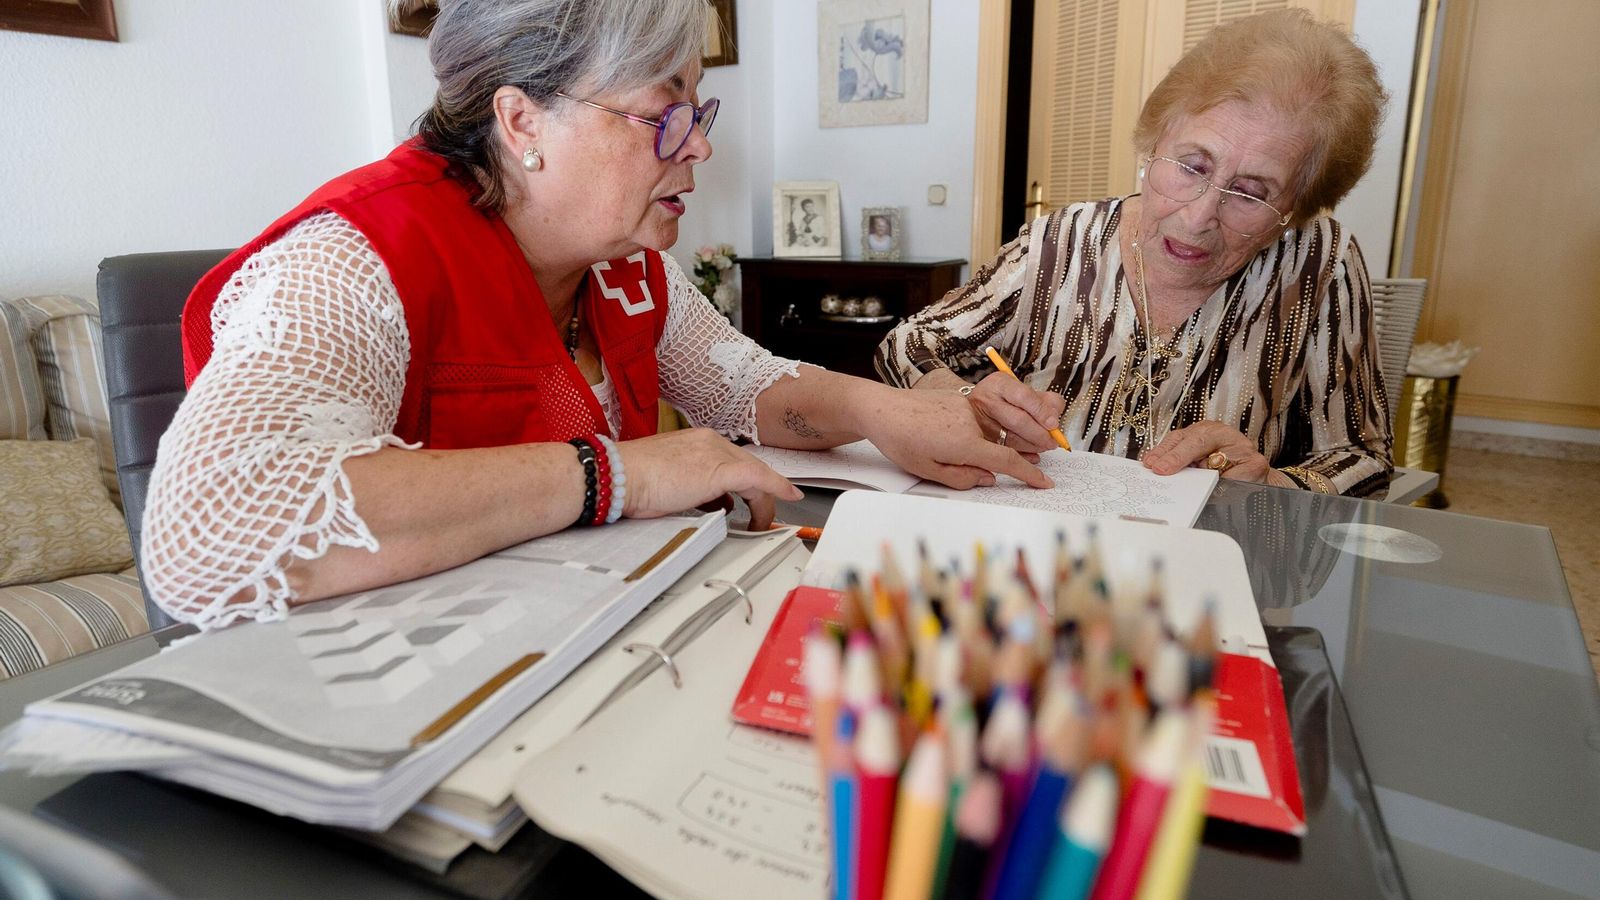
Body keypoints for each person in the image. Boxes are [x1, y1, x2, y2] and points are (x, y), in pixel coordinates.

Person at [145, 0, 1048, 630]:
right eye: (663, 114)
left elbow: (743, 382)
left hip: (562, 643)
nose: (697, 147)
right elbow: (206, 532)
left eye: (699, 110)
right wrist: (619, 475)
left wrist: (882, 411)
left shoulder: (620, 264)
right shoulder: (353, 259)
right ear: (522, 120)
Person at [876, 9, 1392, 497]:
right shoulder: (1060, 242)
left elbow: (1364, 457)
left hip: (1203, 562)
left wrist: (1272, 489)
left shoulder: (1321, 264)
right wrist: (968, 402)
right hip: (1041, 542)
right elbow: (908, 344)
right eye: (1192, 165)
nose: (1198, 217)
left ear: (1297, 206)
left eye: (1252, 192)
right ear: (1155, 141)